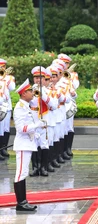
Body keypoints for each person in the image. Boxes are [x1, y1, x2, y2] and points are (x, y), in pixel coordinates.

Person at [13, 78, 46, 211]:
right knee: (20, 173)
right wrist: (37, 125)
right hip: (22, 145)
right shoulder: (20, 108)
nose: (32, 92)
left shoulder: (25, 106)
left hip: (27, 143)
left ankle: (23, 201)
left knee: (24, 172)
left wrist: (35, 133)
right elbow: (22, 128)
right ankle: (21, 203)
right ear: (23, 94)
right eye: (29, 91)